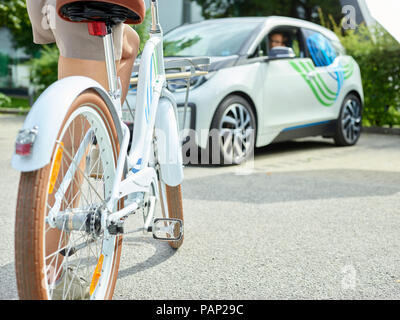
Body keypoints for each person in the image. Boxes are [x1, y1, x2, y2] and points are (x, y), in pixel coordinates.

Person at [26, 0, 141, 103]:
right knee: (84, 121)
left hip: (55, 6)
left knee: (131, 42)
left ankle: (110, 122)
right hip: (88, 8)